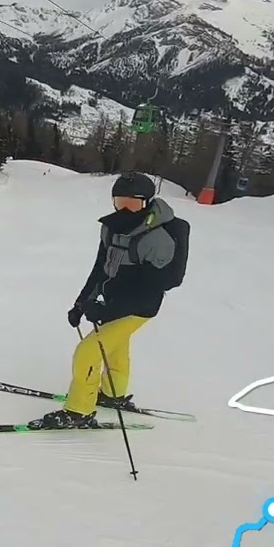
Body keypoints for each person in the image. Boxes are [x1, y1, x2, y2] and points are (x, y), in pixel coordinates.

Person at [30, 171, 185, 429]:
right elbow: (100, 269)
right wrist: (81, 304)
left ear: (147, 203)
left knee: (88, 352)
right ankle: (113, 395)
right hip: (114, 303)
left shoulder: (158, 238)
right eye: (119, 202)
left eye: (132, 204)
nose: (125, 210)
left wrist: (105, 309)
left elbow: (151, 288)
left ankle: (79, 411)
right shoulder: (112, 228)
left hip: (140, 307)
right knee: (115, 347)